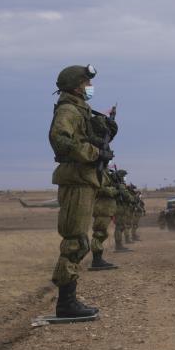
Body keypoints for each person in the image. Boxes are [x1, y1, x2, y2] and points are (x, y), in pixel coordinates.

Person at [48, 64, 112, 318]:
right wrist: (94, 152)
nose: (89, 88)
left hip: (83, 178)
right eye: (86, 83)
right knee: (74, 240)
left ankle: (69, 299)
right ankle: (66, 303)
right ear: (76, 86)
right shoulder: (68, 110)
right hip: (76, 178)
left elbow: (78, 138)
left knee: (79, 240)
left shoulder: (80, 110)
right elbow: (59, 139)